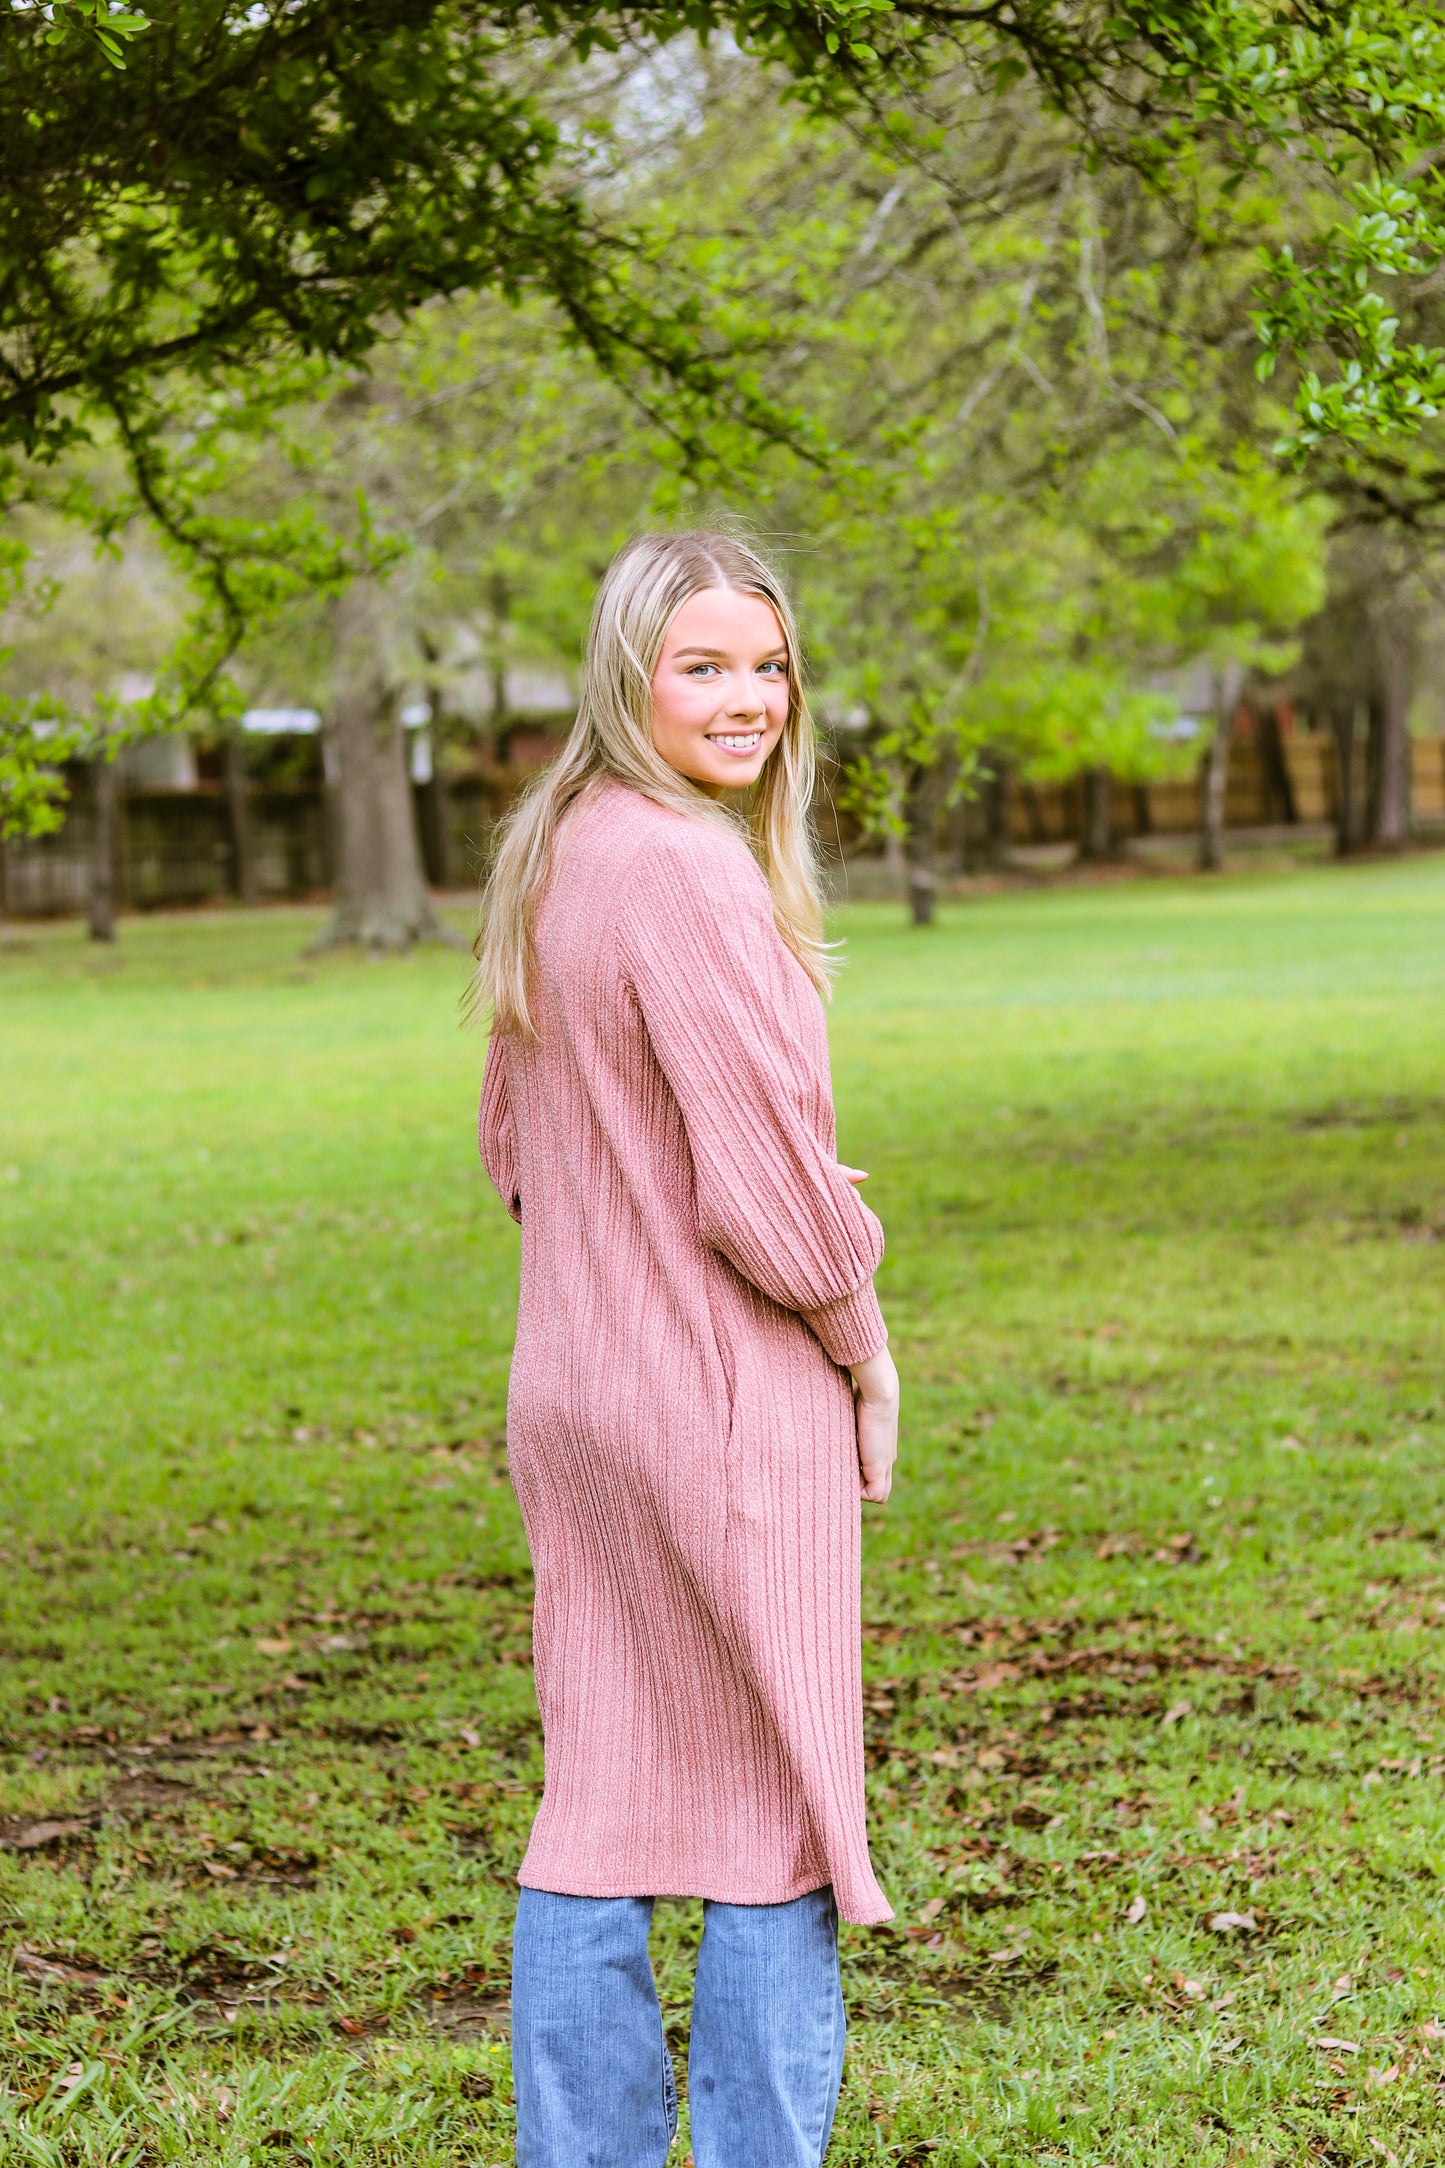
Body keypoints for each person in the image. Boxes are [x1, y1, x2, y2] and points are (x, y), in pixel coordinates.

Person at [474, 530, 900, 2168]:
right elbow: (770, 1191)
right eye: (703, 666)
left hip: (578, 1389)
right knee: (775, 1807)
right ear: (628, 676)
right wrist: (858, 1341)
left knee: (599, 1790)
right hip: (718, 1400)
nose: (748, 699)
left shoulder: (560, 844)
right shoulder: (683, 866)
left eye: (768, 665)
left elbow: (522, 1150)